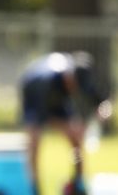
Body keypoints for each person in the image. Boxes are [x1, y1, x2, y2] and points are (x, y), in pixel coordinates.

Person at [19, 51, 111, 195]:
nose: (76, 89)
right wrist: (68, 127)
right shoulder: (46, 81)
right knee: (34, 141)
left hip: (57, 99)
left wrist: (99, 119)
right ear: (68, 76)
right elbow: (45, 117)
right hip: (33, 94)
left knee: (76, 140)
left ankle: (78, 184)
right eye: (75, 84)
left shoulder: (81, 78)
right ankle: (34, 188)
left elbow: (104, 104)